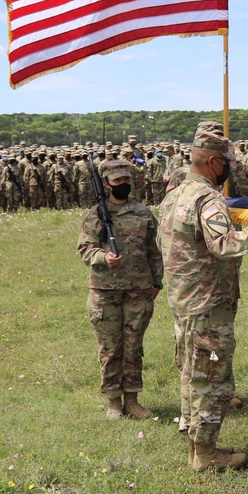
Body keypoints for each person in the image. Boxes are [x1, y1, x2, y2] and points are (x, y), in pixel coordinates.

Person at [160, 128, 248, 471]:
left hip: (184, 299)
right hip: (207, 302)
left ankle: (197, 446)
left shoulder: (175, 194)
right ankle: (205, 456)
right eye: (229, 164)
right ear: (215, 161)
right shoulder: (207, 199)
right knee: (211, 377)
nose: (232, 170)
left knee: (192, 373)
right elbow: (225, 246)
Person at [77, 159, 164, 422]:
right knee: (110, 348)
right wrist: (104, 258)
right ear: (106, 184)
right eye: (118, 181)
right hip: (106, 291)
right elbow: (85, 248)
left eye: (127, 180)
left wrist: (157, 283)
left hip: (138, 290)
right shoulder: (95, 215)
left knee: (133, 347)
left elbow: (155, 251)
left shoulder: (143, 213)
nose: (124, 185)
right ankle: (114, 401)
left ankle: (133, 400)